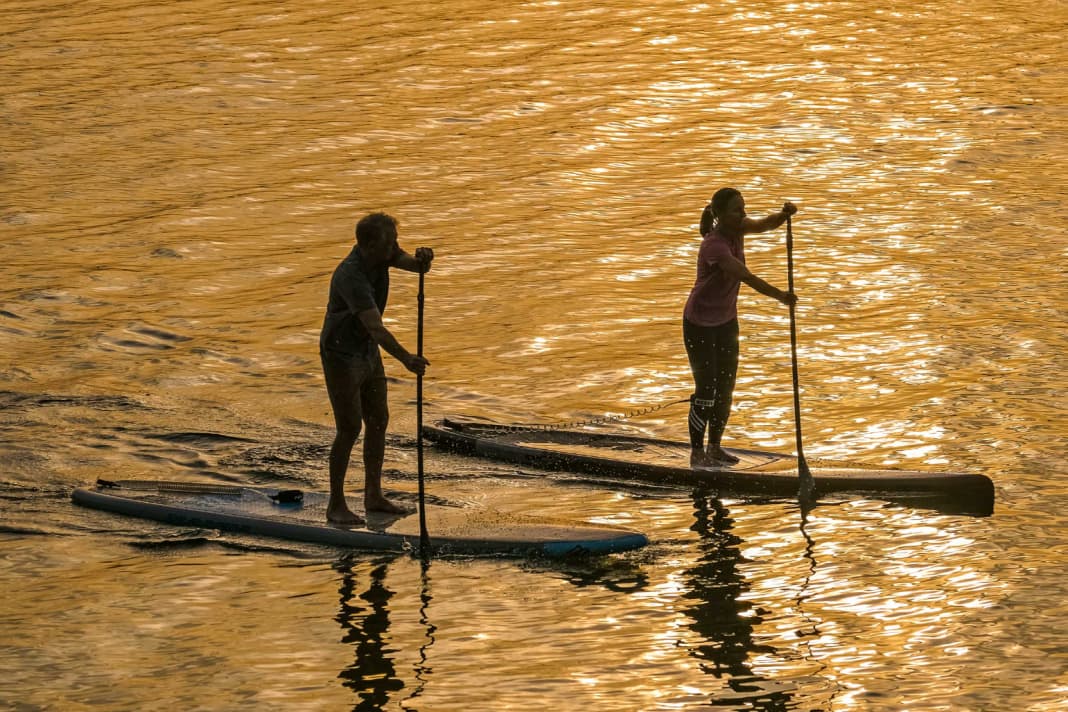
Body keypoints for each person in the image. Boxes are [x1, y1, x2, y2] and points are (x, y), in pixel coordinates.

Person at [320, 212, 433, 525]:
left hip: (368, 351)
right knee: (349, 428)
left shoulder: (383, 254)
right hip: (341, 354)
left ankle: (373, 495)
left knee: (379, 419)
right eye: (389, 244)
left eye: (395, 242)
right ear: (369, 246)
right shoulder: (350, 276)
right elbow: (376, 328)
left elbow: (413, 264)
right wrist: (407, 358)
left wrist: (424, 259)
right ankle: (336, 505)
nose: (395, 248)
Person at [683, 188, 798, 468]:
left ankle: (715, 448)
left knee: (726, 387)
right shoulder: (714, 246)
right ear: (720, 216)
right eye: (737, 210)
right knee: (706, 389)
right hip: (699, 323)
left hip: (726, 321)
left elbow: (765, 224)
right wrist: (781, 296)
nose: (744, 214)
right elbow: (745, 276)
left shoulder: (740, 228)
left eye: (744, 208)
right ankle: (697, 453)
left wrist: (784, 215)